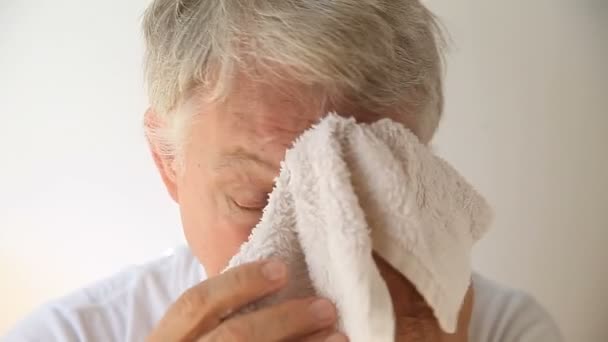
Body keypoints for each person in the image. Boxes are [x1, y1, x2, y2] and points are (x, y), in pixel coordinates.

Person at [4, 0, 563, 341]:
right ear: (168, 164)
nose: (319, 250)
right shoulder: (68, 335)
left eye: (371, 193)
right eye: (254, 200)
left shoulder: (507, 330)